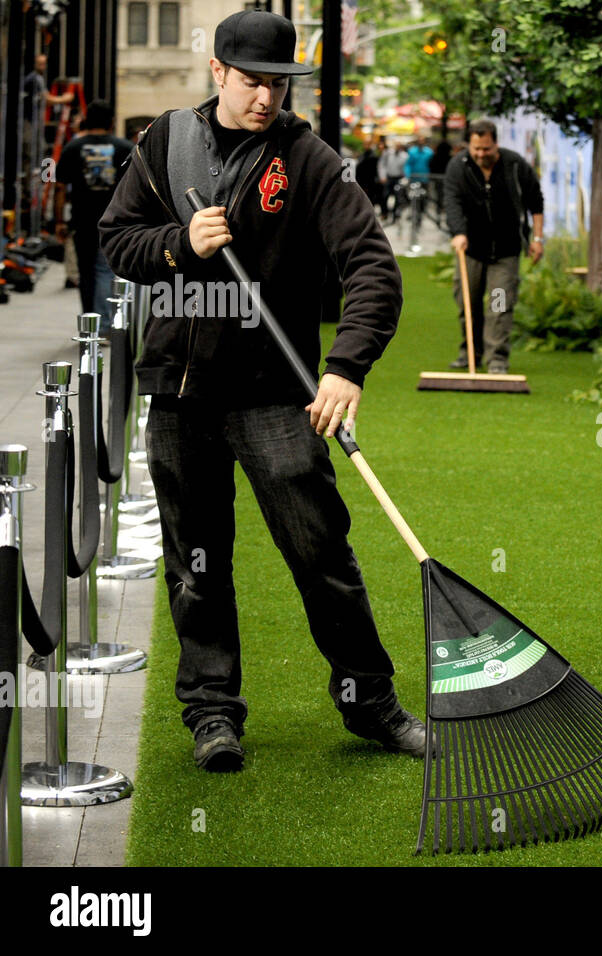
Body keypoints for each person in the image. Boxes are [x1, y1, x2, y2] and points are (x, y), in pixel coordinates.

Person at [99, 9, 425, 772]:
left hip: (276, 393)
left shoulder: (310, 161)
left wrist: (345, 365)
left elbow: (373, 267)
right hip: (179, 392)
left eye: (280, 84)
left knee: (320, 551)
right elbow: (117, 239)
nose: (268, 98)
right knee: (196, 560)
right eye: (253, 82)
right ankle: (213, 714)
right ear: (218, 72)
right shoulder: (163, 143)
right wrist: (180, 245)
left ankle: (369, 702)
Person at [443, 119, 544, 374]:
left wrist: (537, 239)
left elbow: (536, 201)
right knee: (469, 303)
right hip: (471, 249)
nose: (480, 154)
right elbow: (452, 202)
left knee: (499, 305)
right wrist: (458, 233)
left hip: (505, 251)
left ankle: (497, 359)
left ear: (495, 144)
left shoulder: (514, 165)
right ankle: (470, 353)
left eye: (485, 149)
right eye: (476, 148)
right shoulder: (459, 166)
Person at [55, 100, 134, 330]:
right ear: (111, 121)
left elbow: (60, 187)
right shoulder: (123, 147)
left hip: (82, 220)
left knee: (86, 272)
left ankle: (90, 321)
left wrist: (59, 220)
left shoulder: (73, 147)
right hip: (113, 220)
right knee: (105, 269)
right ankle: (103, 324)